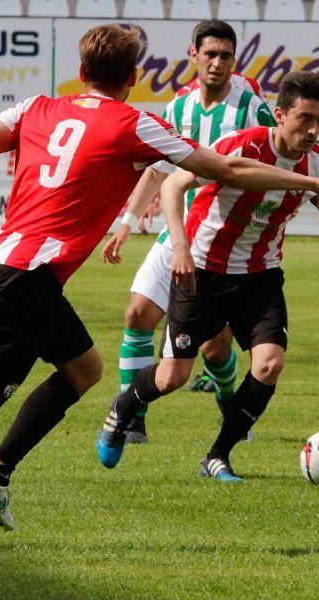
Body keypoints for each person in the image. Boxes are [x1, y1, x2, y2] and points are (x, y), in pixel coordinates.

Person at [0, 25, 319, 549]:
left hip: (9, 266)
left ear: (81, 72)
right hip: (27, 278)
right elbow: (225, 167)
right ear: (133, 77)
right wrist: (314, 182)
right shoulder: (136, 124)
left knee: (83, 368)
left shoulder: (36, 108)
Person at [97, 72, 319, 482]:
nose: (314, 129)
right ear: (280, 113)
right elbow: (173, 186)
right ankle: (123, 407)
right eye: (305, 118)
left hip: (260, 276)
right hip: (204, 273)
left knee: (269, 365)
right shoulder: (241, 145)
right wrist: (178, 247)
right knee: (173, 376)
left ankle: (218, 455)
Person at [101, 20, 276, 444]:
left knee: (216, 347)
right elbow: (160, 168)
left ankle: (229, 400)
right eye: (210, 54)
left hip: (221, 239)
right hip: (177, 230)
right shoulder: (178, 108)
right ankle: (132, 417)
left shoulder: (252, 108)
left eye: (226, 57)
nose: (218, 64)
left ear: (236, 61)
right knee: (137, 313)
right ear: (193, 54)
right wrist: (127, 221)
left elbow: (273, 162)